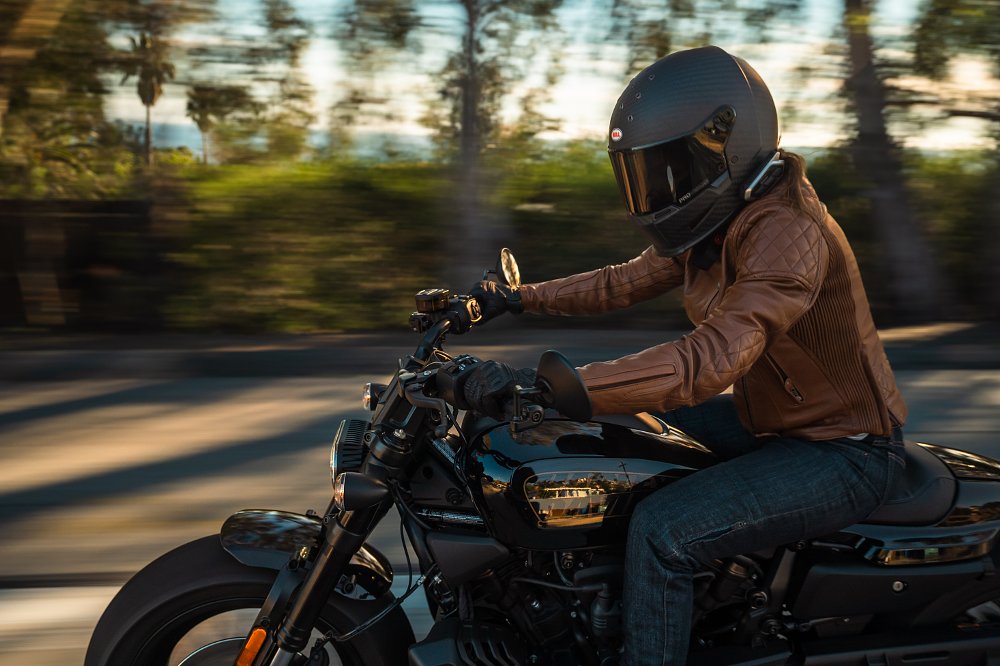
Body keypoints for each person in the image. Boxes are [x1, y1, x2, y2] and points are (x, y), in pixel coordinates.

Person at [462, 45, 908, 665]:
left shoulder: (787, 231)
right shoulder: (718, 219)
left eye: (670, 170)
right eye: (645, 174)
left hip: (844, 449)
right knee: (605, 438)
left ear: (722, 149)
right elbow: (621, 281)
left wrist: (554, 387)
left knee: (664, 531)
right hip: (770, 420)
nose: (658, 190)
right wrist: (514, 298)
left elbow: (710, 361)